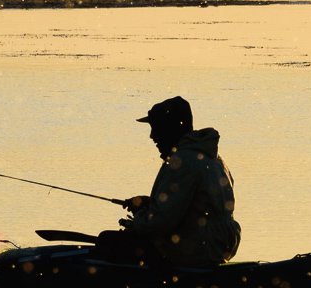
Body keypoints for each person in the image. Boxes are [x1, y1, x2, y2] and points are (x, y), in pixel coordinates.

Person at [96, 96, 240, 268]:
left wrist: (137, 222)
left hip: (198, 247)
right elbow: (195, 207)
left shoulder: (182, 162)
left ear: (171, 128)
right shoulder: (213, 158)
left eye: (156, 128)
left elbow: (160, 222)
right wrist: (149, 204)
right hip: (218, 244)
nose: (152, 135)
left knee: (107, 240)